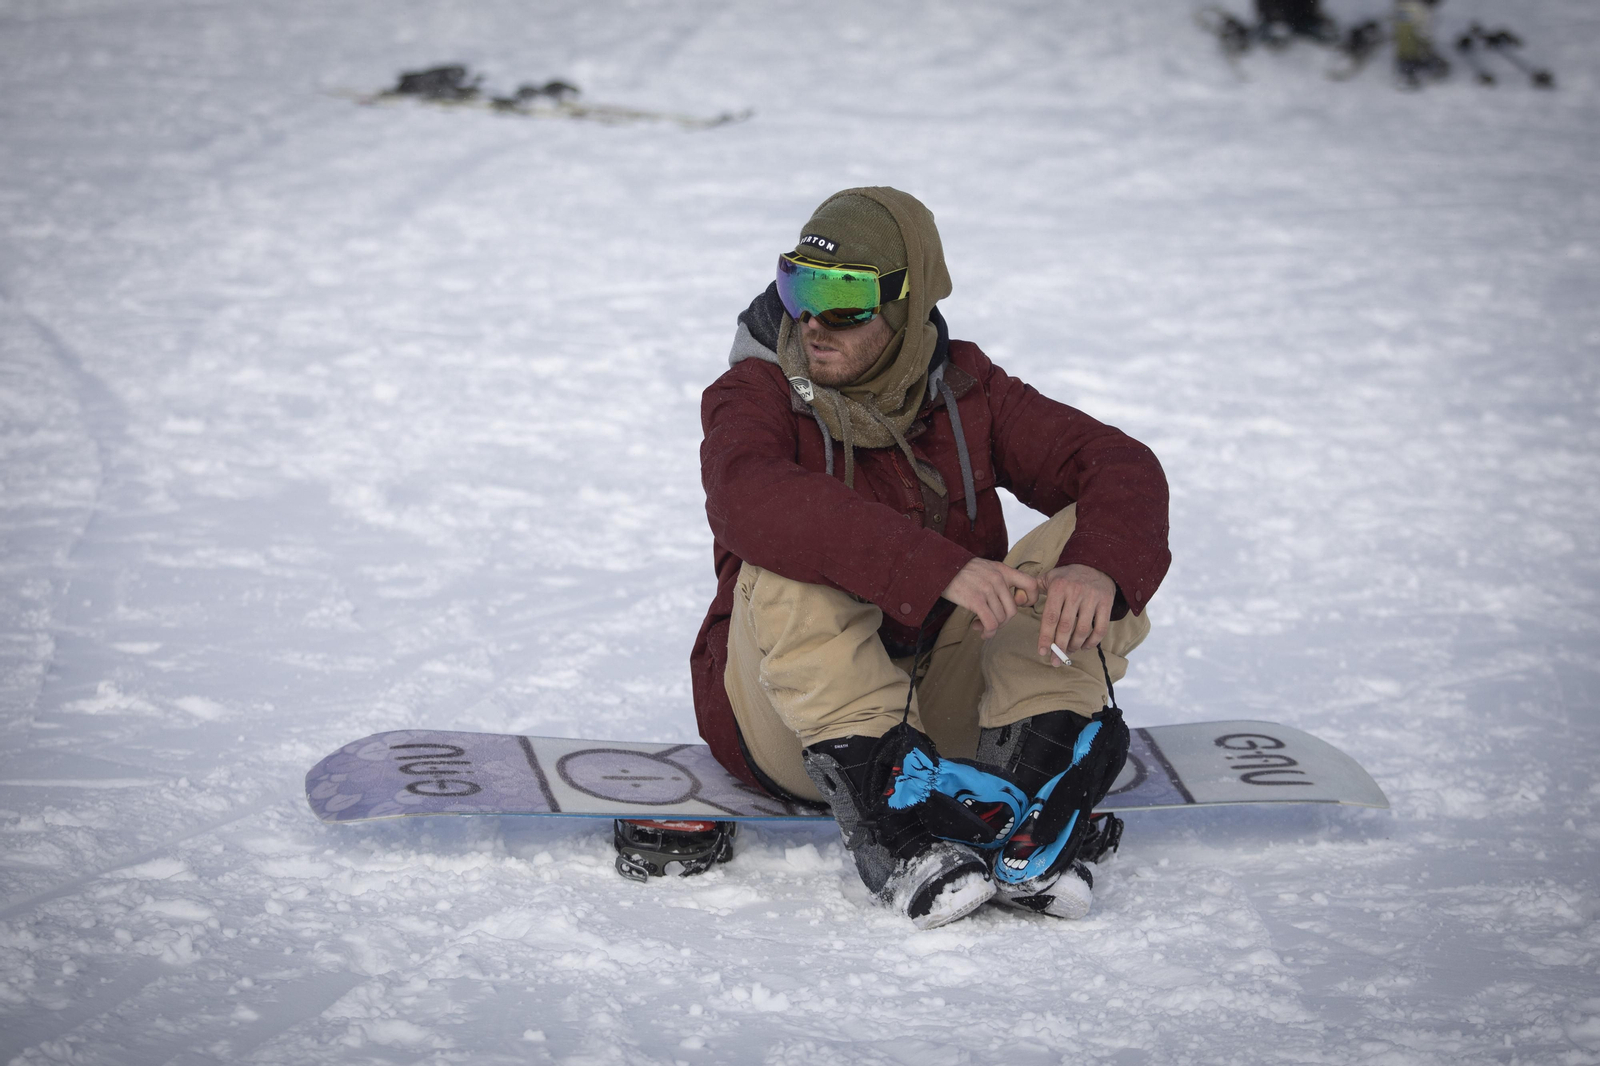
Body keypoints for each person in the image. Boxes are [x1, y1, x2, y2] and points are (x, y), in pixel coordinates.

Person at [690, 187, 1170, 928]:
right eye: (798, 287)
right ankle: (895, 831)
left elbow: (1116, 463)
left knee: (1089, 534)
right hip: (795, 723)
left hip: (940, 707)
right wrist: (930, 565)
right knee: (785, 552)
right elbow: (747, 495)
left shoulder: (967, 389)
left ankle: (1031, 792)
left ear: (906, 305)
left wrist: (1097, 568)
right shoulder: (753, 393)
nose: (814, 321)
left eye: (844, 299)